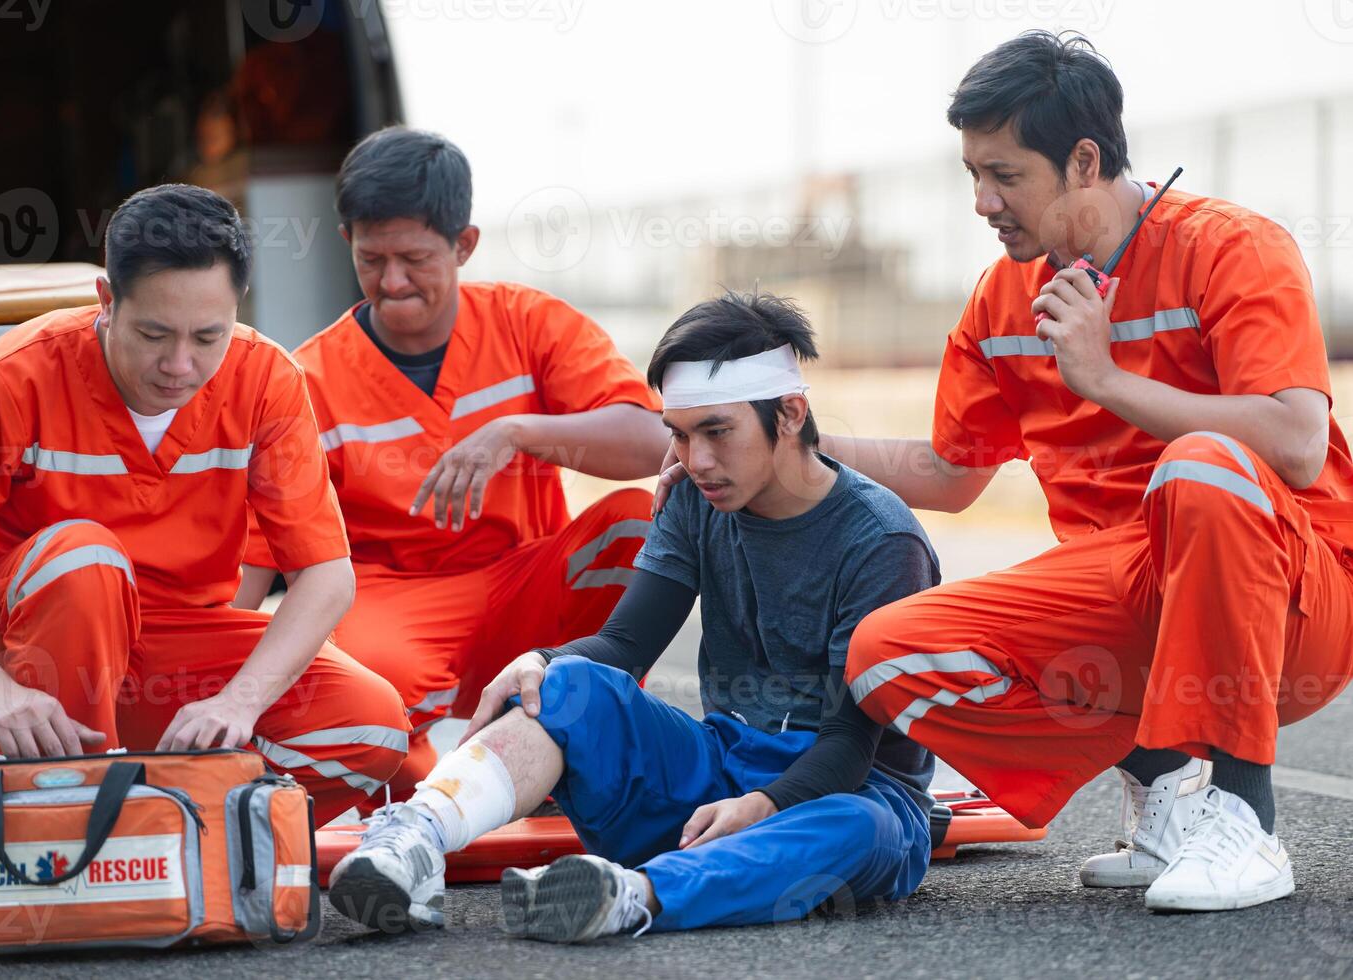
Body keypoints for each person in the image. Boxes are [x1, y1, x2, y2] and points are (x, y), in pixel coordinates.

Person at [654, 32, 1353, 913]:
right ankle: (1167, 790)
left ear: (1084, 160)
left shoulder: (1233, 249)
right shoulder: (1000, 298)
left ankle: (1244, 820)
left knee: (1202, 469)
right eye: (970, 173)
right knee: (883, 654)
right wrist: (782, 451)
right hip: (1128, 600)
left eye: (1005, 174)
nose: (982, 200)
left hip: (1296, 604)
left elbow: (1295, 442)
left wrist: (1104, 380)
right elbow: (950, 473)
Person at [326, 291, 939, 941]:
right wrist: (542, 663)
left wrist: (758, 808)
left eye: (716, 431)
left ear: (790, 414)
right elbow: (624, 644)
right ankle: (417, 839)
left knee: (860, 827)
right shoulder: (697, 496)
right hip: (722, 768)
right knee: (564, 684)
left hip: (847, 794)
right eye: (678, 433)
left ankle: (631, 895)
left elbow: (849, 747)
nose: (693, 459)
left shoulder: (881, 542)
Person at [0, 184, 408, 826]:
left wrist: (237, 704)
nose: (179, 365)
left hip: (169, 650)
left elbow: (326, 575)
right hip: (13, 657)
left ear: (237, 306)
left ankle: (165, 838)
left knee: (373, 729)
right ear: (106, 301)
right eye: (154, 333)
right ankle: (72, 809)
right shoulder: (14, 376)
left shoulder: (267, 380)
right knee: (86, 559)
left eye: (207, 337)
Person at [235, 127, 670, 796]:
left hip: (523, 586)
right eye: (371, 258)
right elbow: (259, 549)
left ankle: (580, 747)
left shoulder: (527, 323)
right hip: (389, 602)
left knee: (637, 525)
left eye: (414, 258)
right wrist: (220, 684)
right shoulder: (308, 378)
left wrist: (519, 432)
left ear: (464, 244)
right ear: (347, 241)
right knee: (348, 680)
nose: (393, 282)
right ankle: (422, 796)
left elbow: (650, 441)